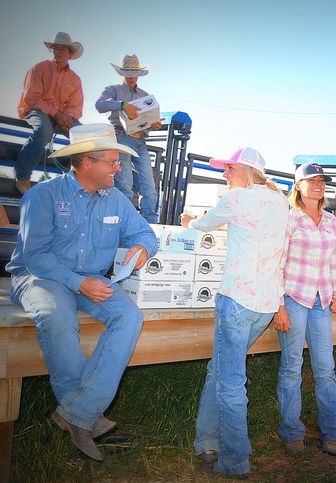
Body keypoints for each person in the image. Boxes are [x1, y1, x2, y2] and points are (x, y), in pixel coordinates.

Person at [7, 123, 159, 461]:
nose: (119, 168)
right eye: (112, 162)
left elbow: (146, 234)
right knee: (56, 317)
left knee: (129, 315)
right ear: (86, 162)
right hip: (40, 276)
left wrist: (143, 249)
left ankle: (77, 412)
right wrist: (79, 283)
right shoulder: (42, 195)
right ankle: (85, 416)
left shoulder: (116, 199)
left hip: (90, 278)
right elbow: (34, 256)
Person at [181, 147, 289, 479]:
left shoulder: (237, 199)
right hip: (266, 304)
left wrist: (189, 221)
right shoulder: (281, 203)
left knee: (229, 381)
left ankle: (235, 459)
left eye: (229, 168)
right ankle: (207, 441)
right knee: (220, 372)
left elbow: (204, 224)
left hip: (237, 300)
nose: (225, 174)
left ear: (247, 170)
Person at [273, 163, 336, 457]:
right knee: (292, 367)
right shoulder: (288, 220)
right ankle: (292, 432)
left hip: (322, 301)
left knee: (325, 368)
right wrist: (278, 306)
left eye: (321, 180)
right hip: (294, 298)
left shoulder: (330, 220)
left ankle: (331, 433)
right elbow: (277, 262)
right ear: (298, 186)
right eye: (310, 180)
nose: (317, 184)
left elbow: (335, 259)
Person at [14, 32, 84, 194]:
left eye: (62, 49)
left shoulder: (75, 79)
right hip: (37, 111)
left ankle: (75, 181)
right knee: (44, 132)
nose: (58, 52)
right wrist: (57, 114)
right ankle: (22, 176)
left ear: (70, 53)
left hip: (61, 117)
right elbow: (32, 98)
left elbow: (76, 107)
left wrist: (68, 116)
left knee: (83, 137)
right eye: (55, 48)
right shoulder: (39, 68)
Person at [95, 55, 162, 223]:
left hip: (140, 140)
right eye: (128, 71)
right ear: (122, 73)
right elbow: (100, 105)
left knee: (149, 186)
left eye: (134, 72)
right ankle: (126, 223)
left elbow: (145, 121)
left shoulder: (144, 95)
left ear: (138, 73)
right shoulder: (113, 90)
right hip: (121, 137)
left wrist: (153, 124)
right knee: (125, 184)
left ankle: (148, 225)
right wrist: (122, 104)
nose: (131, 75)